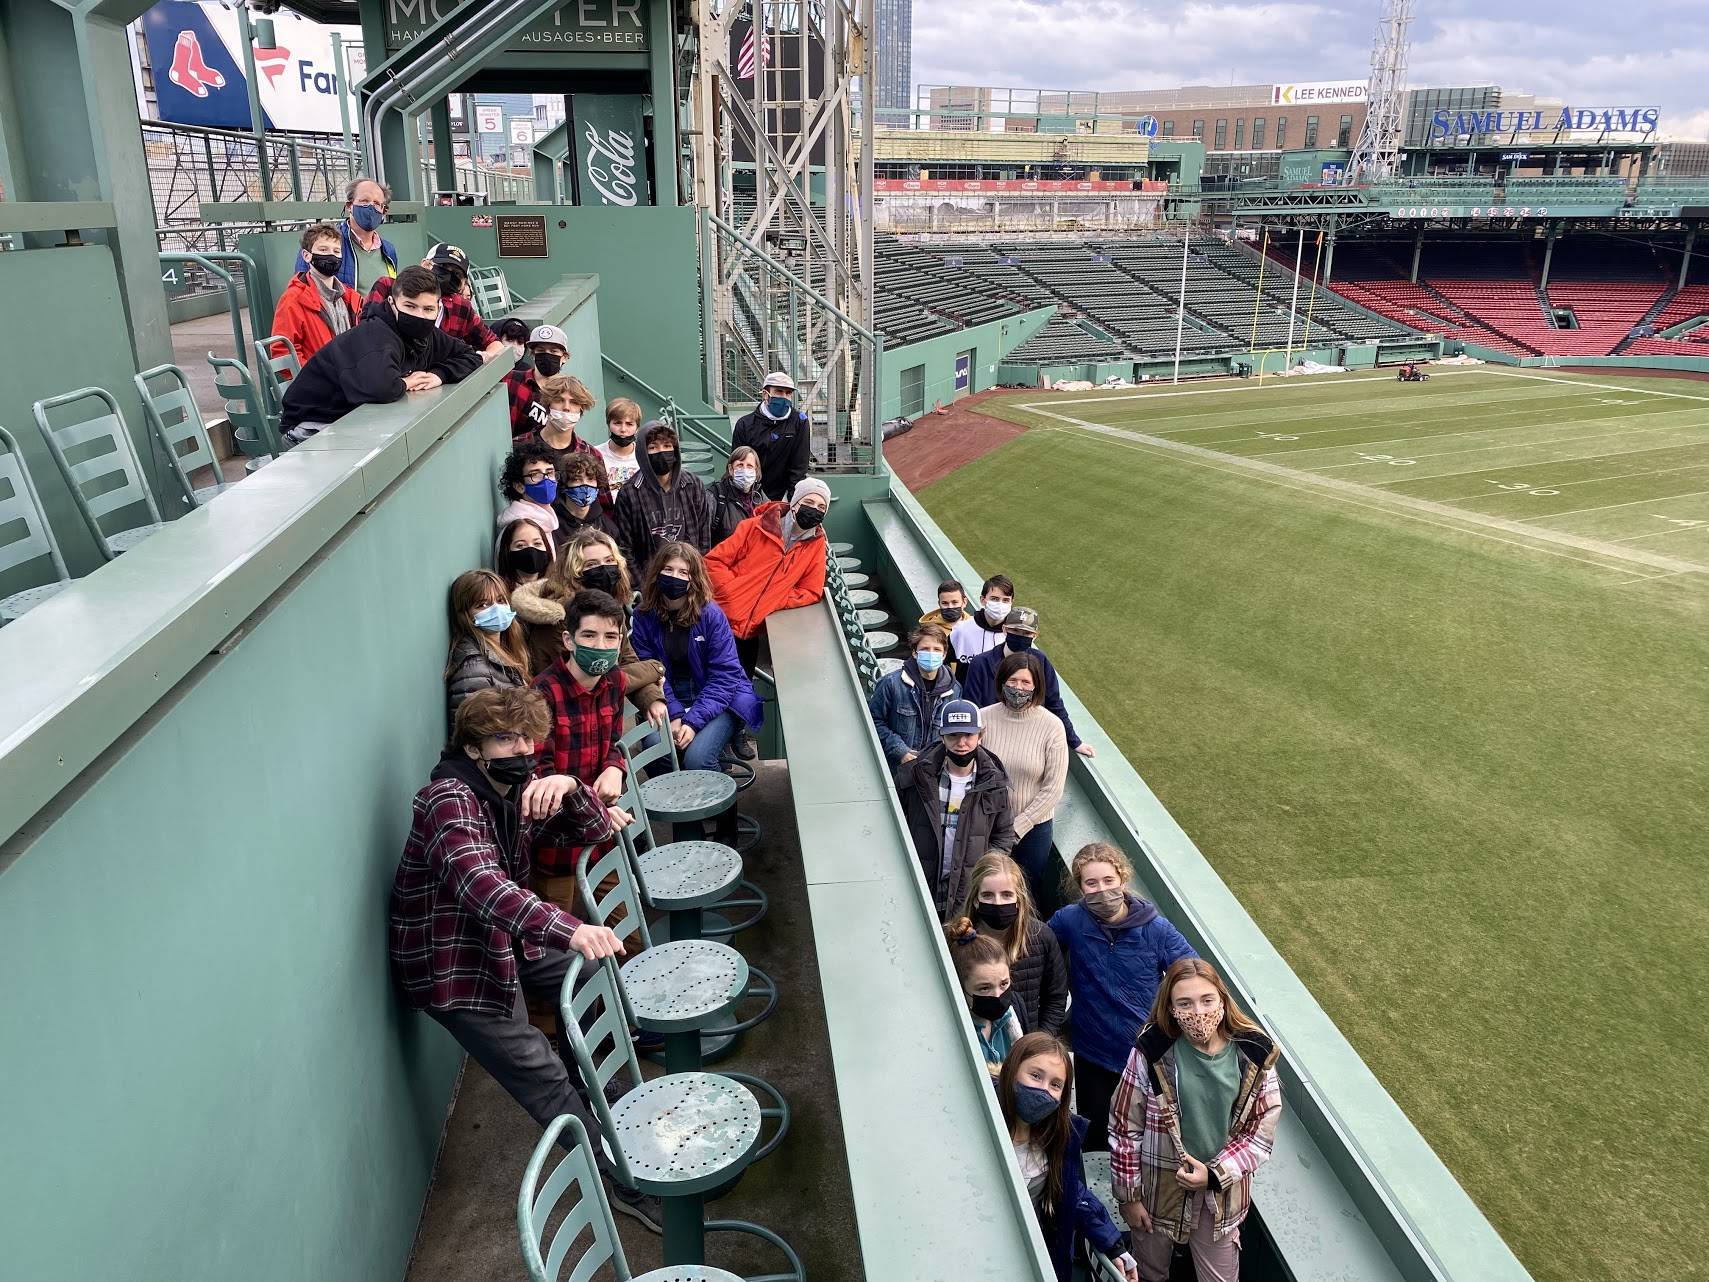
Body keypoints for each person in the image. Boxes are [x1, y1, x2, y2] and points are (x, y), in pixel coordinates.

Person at [386, 687, 658, 1230]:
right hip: (457, 966)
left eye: (525, 737)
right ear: (473, 746)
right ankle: (620, 1179)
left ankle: (596, 1084)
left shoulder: (518, 788)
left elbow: (599, 829)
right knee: (540, 1071)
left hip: (506, 943)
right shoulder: (448, 800)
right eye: (502, 738)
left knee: (596, 978)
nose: (519, 748)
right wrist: (569, 927)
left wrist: (570, 788)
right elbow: (480, 885)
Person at [1110, 958, 1281, 1282]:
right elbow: (1124, 1126)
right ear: (1171, 1008)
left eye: (1207, 1000)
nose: (1198, 1012)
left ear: (1222, 999)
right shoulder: (1151, 1051)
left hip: (1219, 1195)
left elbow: (1261, 1130)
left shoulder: (1254, 1053)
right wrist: (1129, 1197)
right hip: (1157, 1186)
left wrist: (1215, 1175)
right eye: (1185, 1003)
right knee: (1148, 1273)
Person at [1048, 842, 1196, 1153]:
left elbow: (1193, 975)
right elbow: (1036, 947)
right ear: (1080, 888)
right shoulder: (1070, 921)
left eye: (1108, 881)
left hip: (1145, 1056)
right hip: (1093, 1055)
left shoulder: (1156, 929)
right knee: (1097, 1137)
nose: (1101, 890)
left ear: (1122, 880)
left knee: (1145, 1140)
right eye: (1091, 883)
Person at [529, 589, 667, 913]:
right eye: (589, 635)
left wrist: (615, 767)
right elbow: (541, 780)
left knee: (627, 937)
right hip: (557, 847)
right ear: (568, 640)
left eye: (611, 637)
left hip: (603, 841)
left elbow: (613, 743)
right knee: (555, 949)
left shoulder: (615, 681)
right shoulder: (541, 695)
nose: (601, 646)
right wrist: (596, 809)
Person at [630, 542, 763, 841]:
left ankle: (725, 827)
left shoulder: (711, 614)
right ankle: (692, 832)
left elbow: (726, 676)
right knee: (657, 751)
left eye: (683, 572)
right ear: (657, 573)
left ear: (694, 579)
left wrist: (693, 721)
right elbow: (648, 669)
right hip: (669, 696)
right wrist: (674, 712)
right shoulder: (644, 616)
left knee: (698, 758)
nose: (674, 577)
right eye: (668, 570)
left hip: (720, 698)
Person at [279, 266, 481, 445]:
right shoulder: (376, 333)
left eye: (428, 309)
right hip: (310, 425)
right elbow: (381, 388)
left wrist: (439, 375)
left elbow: (470, 356)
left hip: (350, 419)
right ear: (392, 303)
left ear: (438, 309)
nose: (420, 315)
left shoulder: (428, 335)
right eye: (410, 306)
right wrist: (406, 383)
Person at [999, 1033, 1139, 1282]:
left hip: (1033, 1252)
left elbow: (1071, 1194)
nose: (1043, 1090)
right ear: (1012, 1070)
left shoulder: (1058, 1138)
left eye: (1055, 1085)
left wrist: (1112, 1245)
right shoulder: (981, 1128)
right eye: (1035, 1075)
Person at [511, 528, 666, 707]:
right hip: (565, 714)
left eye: (609, 561)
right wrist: (655, 668)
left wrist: (652, 699)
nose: (604, 570)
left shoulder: (609, 607)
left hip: (607, 711)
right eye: (591, 565)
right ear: (574, 573)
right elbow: (596, 678)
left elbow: (627, 659)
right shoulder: (561, 617)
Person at [896, 698, 1016, 918]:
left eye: (969, 735)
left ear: (981, 735)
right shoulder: (914, 776)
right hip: (919, 884)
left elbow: (1004, 835)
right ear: (942, 736)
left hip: (967, 891)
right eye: (953, 735)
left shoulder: (996, 783)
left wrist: (984, 873)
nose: (961, 743)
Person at [705, 475, 830, 676]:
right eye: (808, 502)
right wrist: (731, 591)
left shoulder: (815, 545)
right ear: (795, 502)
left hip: (751, 634)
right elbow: (714, 562)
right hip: (719, 621)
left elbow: (811, 590)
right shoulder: (754, 527)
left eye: (821, 507)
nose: (814, 509)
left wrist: (778, 599)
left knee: (739, 686)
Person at [976, 651, 1069, 908]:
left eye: (1026, 683)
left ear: (1036, 685)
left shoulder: (1052, 726)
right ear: (1002, 681)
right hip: (987, 825)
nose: (1018, 688)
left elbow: (1053, 788)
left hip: (1032, 831)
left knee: (1025, 892)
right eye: (1013, 681)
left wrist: (1018, 826)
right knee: (986, 887)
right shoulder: (983, 718)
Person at [947, 852, 1068, 1035]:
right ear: (975, 900)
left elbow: (1056, 997)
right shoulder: (953, 940)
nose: (997, 902)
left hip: (1025, 1044)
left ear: (1019, 900)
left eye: (1006, 895)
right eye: (987, 895)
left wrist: (1037, 1043)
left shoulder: (1041, 936)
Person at [962, 606, 1096, 759]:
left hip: (1030, 742)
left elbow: (1054, 703)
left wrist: (1075, 742)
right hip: (990, 741)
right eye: (1016, 631)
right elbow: (972, 707)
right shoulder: (980, 663)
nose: (1021, 636)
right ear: (1005, 630)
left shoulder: (1042, 662)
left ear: (1035, 635)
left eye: (1027, 633)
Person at [365, 243, 504, 362]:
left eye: (457, 274)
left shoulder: (461, 307)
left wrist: (484, 357)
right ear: (425, 264)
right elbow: (367, 332)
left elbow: (494, 343)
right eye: (443, 267)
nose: (449, 276)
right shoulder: (388, 287)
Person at [613, 421, 714, 569]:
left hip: (688, 574)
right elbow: (626, 549)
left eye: (667, 446)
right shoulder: (630, 493)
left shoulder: (693, 485)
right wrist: (642, 587)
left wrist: (697, 574)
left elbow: (704, 536)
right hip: (650, 580)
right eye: (653, 447)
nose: (661, 452)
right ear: (643, 453)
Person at [867, 622, 960, 768]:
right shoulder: (891, 684)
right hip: (897, 765)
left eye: (936, 649)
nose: (931, 654)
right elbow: (873, 721)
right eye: (925, 649)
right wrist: (900, 751)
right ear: (914, 652)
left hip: (933, 767)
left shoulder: (954, 689)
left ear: (944, 654)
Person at [522, 374, 614, 519]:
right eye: (559, 400)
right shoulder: (522, 445)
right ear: (548, 404)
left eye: (574, 402)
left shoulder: (591, 454)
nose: (566, 408)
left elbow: (605, 507)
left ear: (581, 409)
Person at [269, 222, 362, 366]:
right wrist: (316, 379)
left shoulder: (352, 298)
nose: (331, 255)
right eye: (323, 250)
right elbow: (283, 351)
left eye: (336, 251)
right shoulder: (292, 300)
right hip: (319, 384)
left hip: (350, 379)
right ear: (306, 256)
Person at [444, 569, 530, 720]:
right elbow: (475, 733)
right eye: (483, 604)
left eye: (501, 600)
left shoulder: (507, 651)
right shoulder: (474, 669)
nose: (496, 608)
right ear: (466, 615)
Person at [292, 175, 398, 292]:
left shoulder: (389, 251)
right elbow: (302, 291)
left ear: (384, 211)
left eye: (377, 203)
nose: (371, 207)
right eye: (364, 201)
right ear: (349, 206)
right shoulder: (322, 246)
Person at [950, 930, 1025, 1079]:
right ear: (961, 988)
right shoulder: (953, 1034)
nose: (997, 995)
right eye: (984, 988)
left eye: (1004, 984)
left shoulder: (1014, 1012)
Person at [730, 370, 811, 501]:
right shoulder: (745, 424)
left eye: (788, 393)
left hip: (783, 495)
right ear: (765, 394)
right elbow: (739, 463)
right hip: (751, 495)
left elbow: (799, 466)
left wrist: (791, 502)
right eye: (779, 391)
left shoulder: (799, 422)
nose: (784, 397)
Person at [504, 324, 572, 438]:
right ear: (533, 354)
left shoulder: (567, 394)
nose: (547, 355)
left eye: (553, 351)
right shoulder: (511, 379)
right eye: (541, 350)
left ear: (564, 357)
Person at [495, 441, 562, 551]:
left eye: (550, 473)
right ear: (519, 486)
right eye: (535, 474)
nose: (546, 480)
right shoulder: (522, 529)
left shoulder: (544, 521)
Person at [949, 574, 1015, 679]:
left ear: (1012, 602)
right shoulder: (961, 630)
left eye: (1006, 600)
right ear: (983, 600)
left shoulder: (1015, 636)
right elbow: (943, 665)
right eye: (994, 599)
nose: (1000, 604)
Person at [553, 453, 620, 541]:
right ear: (564, 484)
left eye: (590, 479)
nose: (585, 484)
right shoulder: (552, 524)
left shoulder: (608, 527)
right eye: (577, 479)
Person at [709, 445, 762, 547]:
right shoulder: (715, 496)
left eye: (749, 466)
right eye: (740, 465)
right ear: (731, 469)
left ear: (756, 470)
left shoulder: (760, 497)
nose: (745, 470)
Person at [596, 397, 644, 496]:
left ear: (637, 428)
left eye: (629, 424)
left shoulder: (645, 455)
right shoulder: (594, 454)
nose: (623, 429)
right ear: (608, 424)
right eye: (617, 423)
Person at [496, 517, 554, 595]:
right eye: (520, 545)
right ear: (507, 551)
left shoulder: (560, 590)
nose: (531, 550)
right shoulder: (499, 595)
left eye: (537, 544)